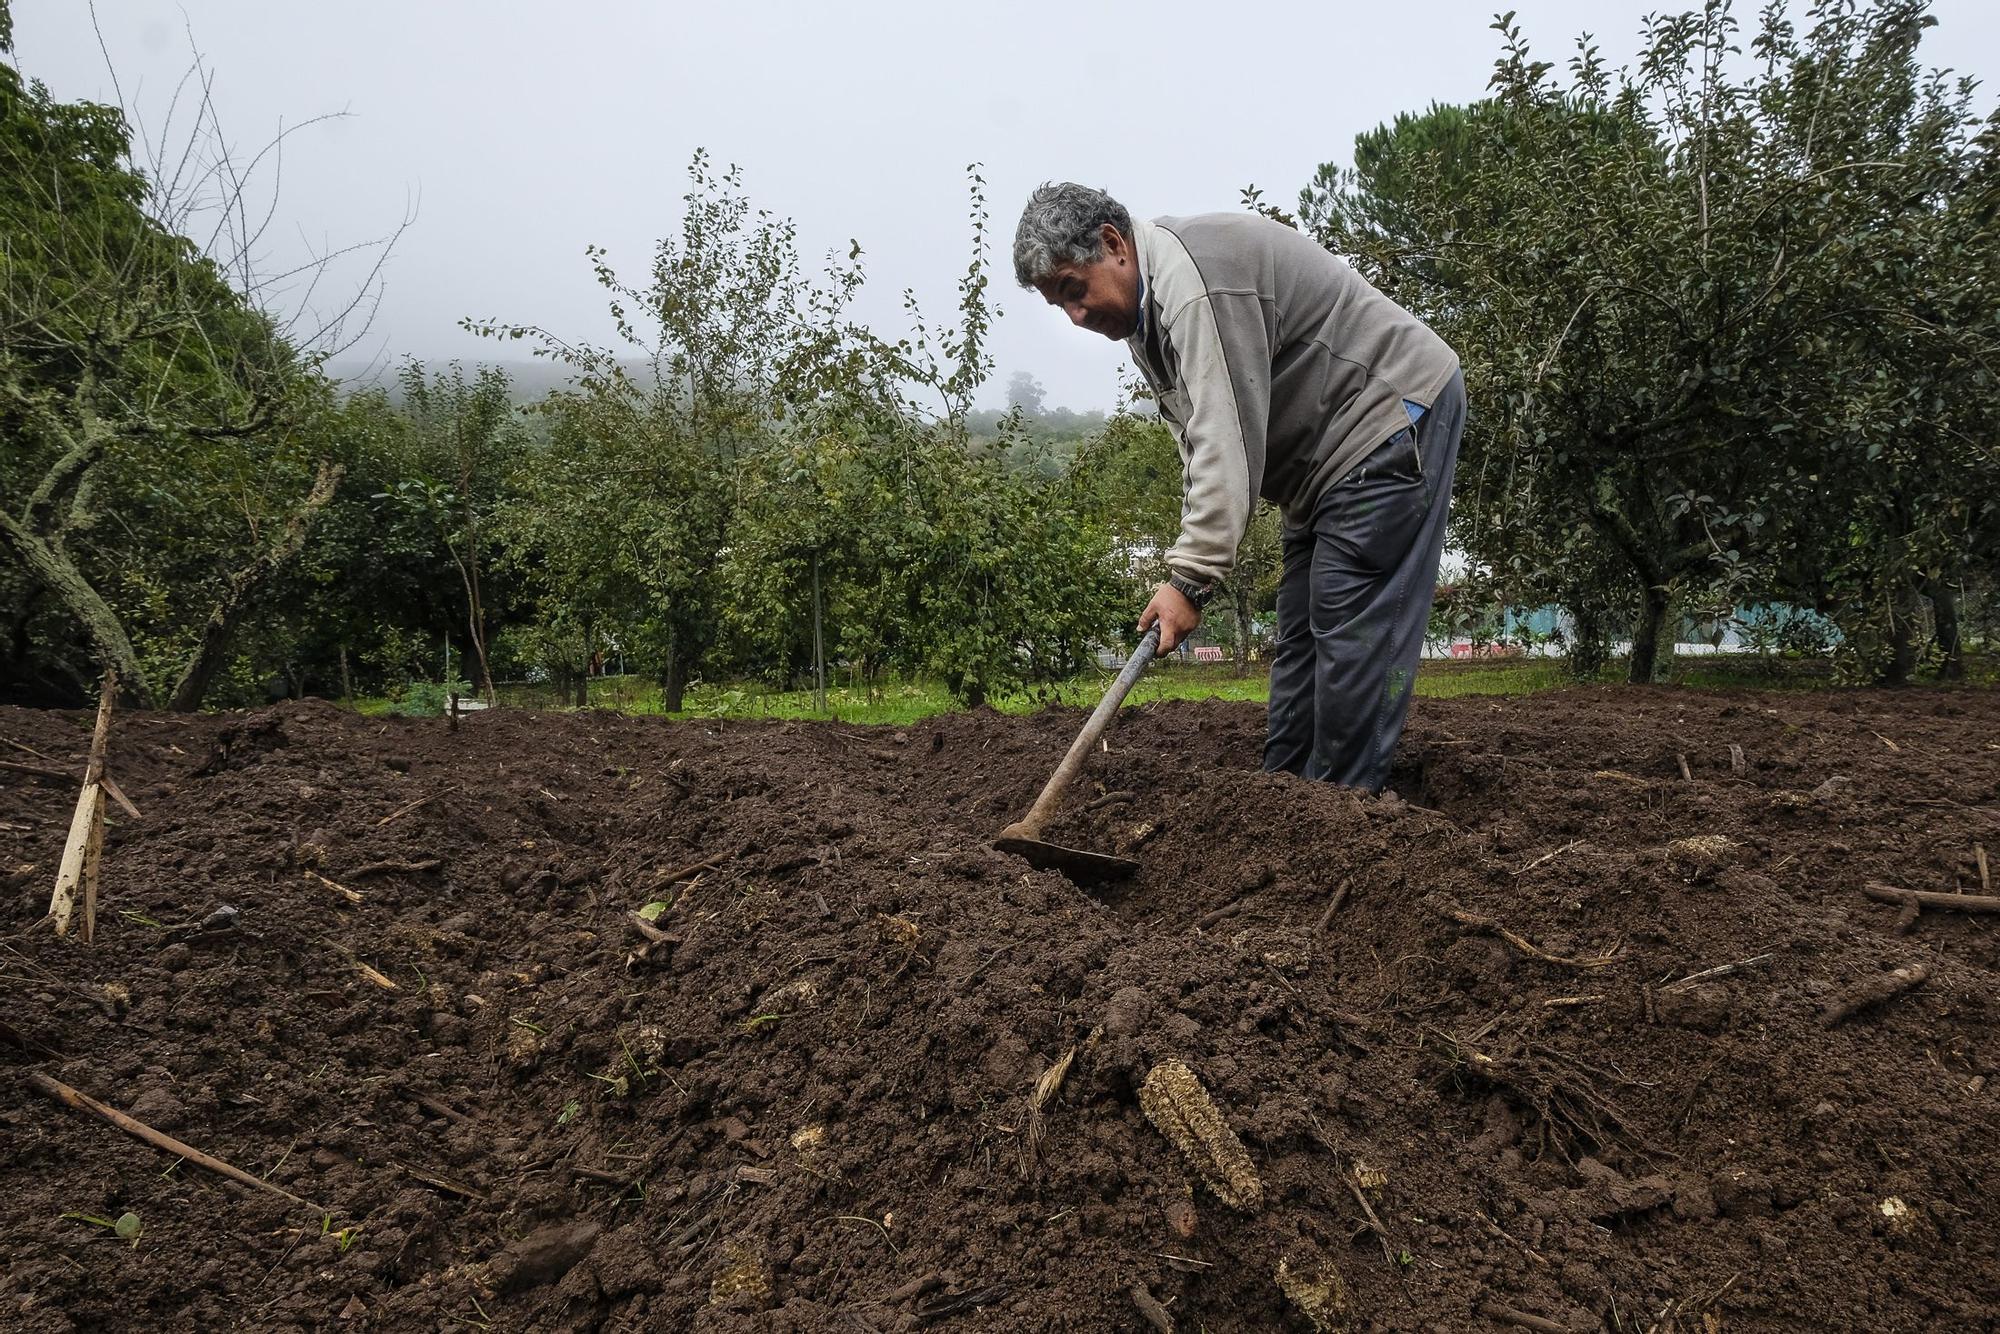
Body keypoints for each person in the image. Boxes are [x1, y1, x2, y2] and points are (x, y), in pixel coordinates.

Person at [1012, 182, 1465, 792]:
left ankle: (1345, 815)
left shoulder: (1196, 284)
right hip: (1322, 466)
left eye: (1074, 289)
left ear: (1113, 245)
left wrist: (1189, 578)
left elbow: (1226, 438)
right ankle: (1281, 799)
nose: (1075, 315)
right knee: (1301, 630)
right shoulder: (1150, 316)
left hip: (1390, 416)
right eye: (1057, 304)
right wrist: (1190, 568)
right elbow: (1197, 446)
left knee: (1348, 619)